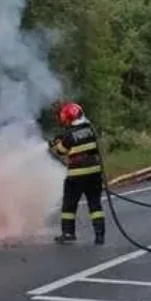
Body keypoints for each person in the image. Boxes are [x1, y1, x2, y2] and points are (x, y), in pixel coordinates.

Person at [49, 101, 106, 245]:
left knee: (69, 204)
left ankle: (68, 233)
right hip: (94, 173)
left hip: (76, 176)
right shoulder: (91, 130)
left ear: (68, 118)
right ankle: (99, 235)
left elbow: (60, 151)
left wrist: (55, 144)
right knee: (95, 204)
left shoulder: (69, 135)